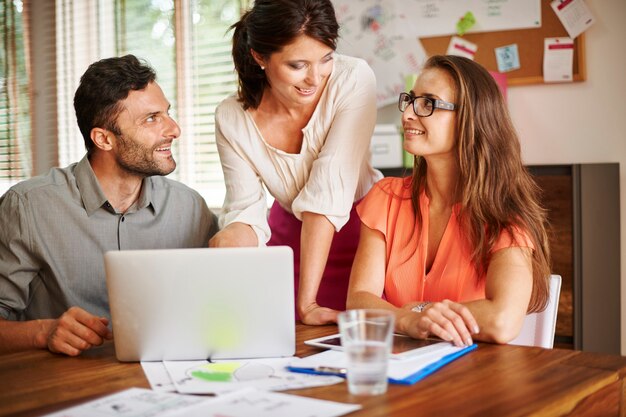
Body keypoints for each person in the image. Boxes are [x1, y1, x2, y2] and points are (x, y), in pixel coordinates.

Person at [0, 55, 219, 356]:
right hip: (66, 386)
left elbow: (218, 304)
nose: (174, 129)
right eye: (151, 119)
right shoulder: (27, 207)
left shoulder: (190, 208)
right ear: (104, 139)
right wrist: (43, 332)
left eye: (167, 113)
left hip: (164, 379)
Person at [347, 55, 551, 347]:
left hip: (473, 378)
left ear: (470, 118)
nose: (407, 114)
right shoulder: (386, 198)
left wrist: (420, 312)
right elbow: (358, 300)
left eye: (429, 103)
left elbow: (502, 320)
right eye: (411, 99)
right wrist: (407, 320)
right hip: (402, 369)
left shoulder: (505, 217)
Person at [209, 0, 382, 325]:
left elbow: (329, 188)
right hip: (289, 241)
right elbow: (246, 210)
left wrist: (307, 301)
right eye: (297, 65)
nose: (314, 79)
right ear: (260, 57)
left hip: (367, 236)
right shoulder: (231, 116)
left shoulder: (353, 78)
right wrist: (227, 242)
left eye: (326, 58)